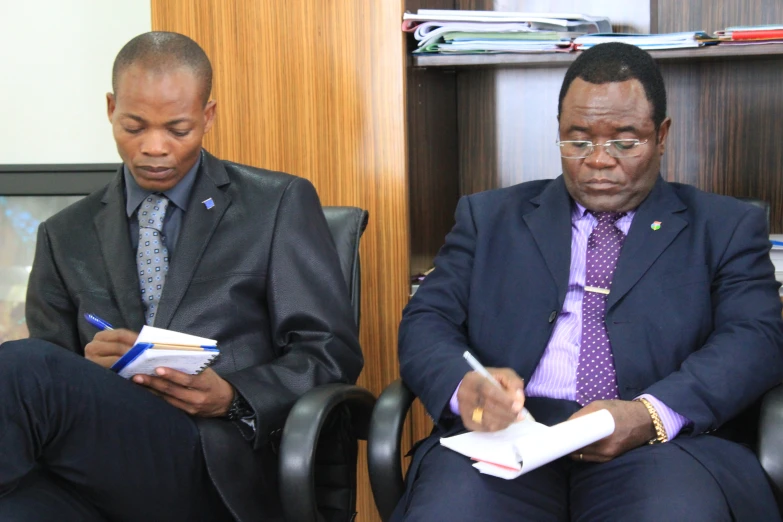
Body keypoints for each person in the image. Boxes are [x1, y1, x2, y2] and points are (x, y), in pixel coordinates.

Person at [395, 42, 783, 521]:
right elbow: (427, 320)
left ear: (661, 135)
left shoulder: (723, 227)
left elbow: (755, 339)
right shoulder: (488, 216)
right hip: (509, 437)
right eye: (578, 141)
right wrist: (463, 386)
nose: (599, 160)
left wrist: (649, 414)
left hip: (661, 444)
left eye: (624, 141)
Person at [0, 31, 362, 522]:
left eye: (177, 129)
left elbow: (329, 353)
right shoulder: (64, 234)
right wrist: (86, 368)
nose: (154, 148)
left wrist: (233, 398)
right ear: (110, 108)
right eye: (134, 126)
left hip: (216, 461)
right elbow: (49, 389)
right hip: (97, 471)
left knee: (23, 367)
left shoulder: (275, 205)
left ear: (207, 116)